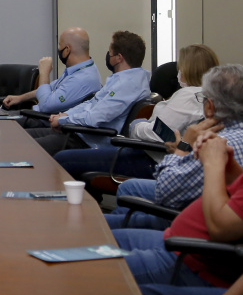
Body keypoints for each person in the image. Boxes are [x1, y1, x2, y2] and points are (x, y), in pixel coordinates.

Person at [55, 44, 219, 181]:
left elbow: (158, 133)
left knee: (63, 159)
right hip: (167, 158)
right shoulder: (213, 96)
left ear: (189, 69)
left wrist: (136, 125)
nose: (178, 71)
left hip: (151, 160)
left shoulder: (187, 97)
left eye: (181, 67)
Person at [107, 64, 243, 230]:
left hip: (187, 222)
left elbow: (164, 191)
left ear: (210, 107)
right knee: (129, 188)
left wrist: (182, 147)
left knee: (108, 220)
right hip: (207, 207)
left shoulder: (218, 143)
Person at [112, 129, 243, 295]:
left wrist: (213, 164)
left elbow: (221, 227)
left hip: (194, 260)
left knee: (95, 268)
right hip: (176, 238)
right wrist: (230, 167)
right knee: (101, 238)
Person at [25, 30, 150, 156]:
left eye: (110, 52)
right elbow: (91, 102)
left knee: (25, 148)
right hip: (79, 132)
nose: (107, 55)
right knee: (22, 138)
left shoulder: (128, 85)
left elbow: (95, 117)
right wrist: (65, 115)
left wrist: (64, 120)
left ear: (119, 58)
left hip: (90, 141)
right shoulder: (121, 78)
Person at [5, 27, 102, 116]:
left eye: (60, 45)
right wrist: (20, 98)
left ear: (67, 50)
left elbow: (45, 106)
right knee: (0, 118)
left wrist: (44, 73)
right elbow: (51, 88)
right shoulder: (81, 68)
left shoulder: (82, 79)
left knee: (1, 123)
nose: (59, 49)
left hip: (43, 120)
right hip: (37, 115)